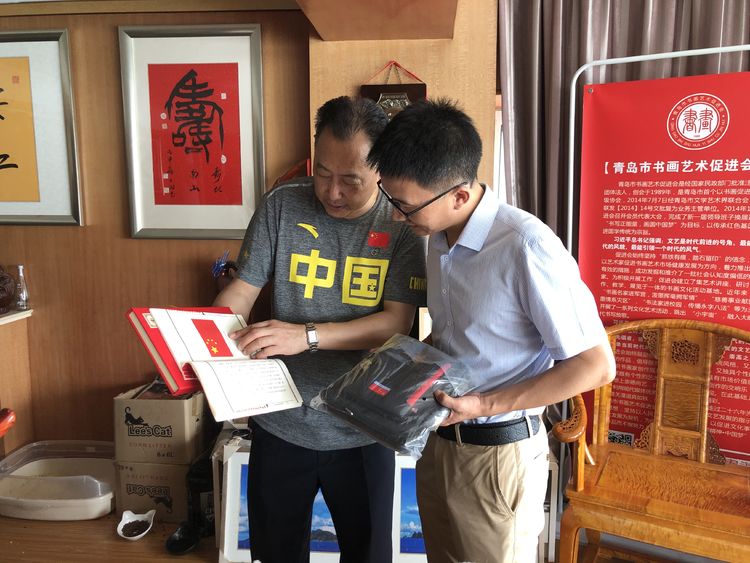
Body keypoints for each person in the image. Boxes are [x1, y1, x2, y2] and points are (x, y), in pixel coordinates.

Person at [367, 98, 616, 563]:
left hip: (497, 457)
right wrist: (400, 366)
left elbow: (595, 365)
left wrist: (483, 405)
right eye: (391, 198)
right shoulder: (437, 236)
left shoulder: (526, 246)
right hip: (439, 443)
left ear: (459, 195)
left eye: (405, 206)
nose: (397, 216)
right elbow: (460, 337)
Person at [213, 95, 426, 563]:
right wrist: (203, 337)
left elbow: (396, 323)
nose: (332, 192)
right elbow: (241, 292)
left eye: (350, 180)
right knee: (276, 552)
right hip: (280, 418)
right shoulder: (282, 204)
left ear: (380, 169)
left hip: (363, 426)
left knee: (368, 554)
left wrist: (306, 335)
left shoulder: (401, 223)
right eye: (323, 173)